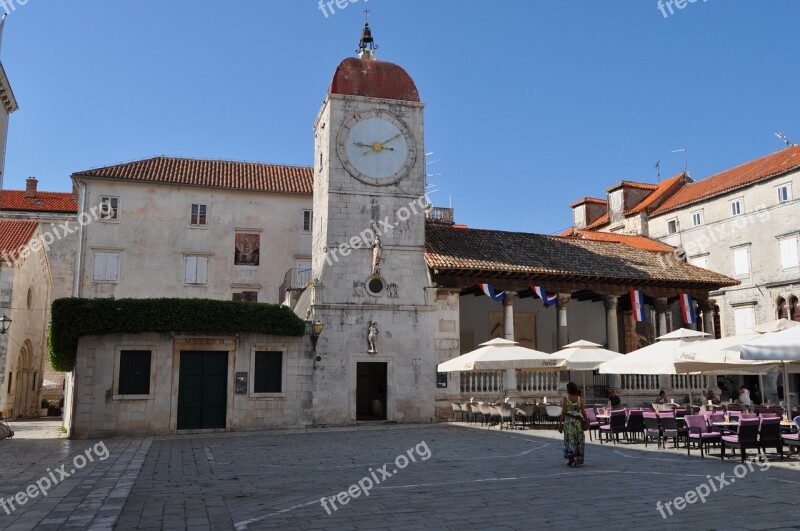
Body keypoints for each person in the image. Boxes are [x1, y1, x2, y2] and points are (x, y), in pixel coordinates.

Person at [558, 382, 586, 468]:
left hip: (569, 423)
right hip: (578, 423)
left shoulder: (566, 398)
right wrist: (587, 422)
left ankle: (571, 459)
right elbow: (583, 411)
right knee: (578, 441)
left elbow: (563, 412)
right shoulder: (579, 399)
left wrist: (560, 424)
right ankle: (577, 461)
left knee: (569, 440)